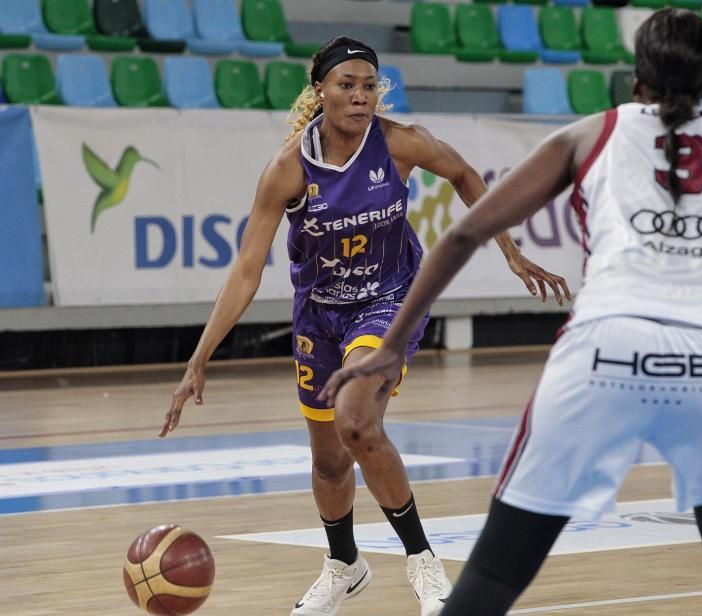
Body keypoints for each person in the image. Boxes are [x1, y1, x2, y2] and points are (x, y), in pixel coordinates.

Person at [320, 10, 702, 615]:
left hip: (604, 357)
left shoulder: (590, 134)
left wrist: (391, 341)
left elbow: (466, 234)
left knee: (493, 576)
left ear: (636, 80)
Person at [158, 36, 570, 616]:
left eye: (368, 85)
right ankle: (344, 565)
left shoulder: (400, 143)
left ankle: (424, 564)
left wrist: (511, 250)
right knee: (328, 458)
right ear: (320, 90)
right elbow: (247, 270)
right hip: (320, 312)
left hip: (390, 299)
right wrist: (198, 359)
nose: (359, 96)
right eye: (346, 85)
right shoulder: (287, 169)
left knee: (356, 418)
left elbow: (465, 174)